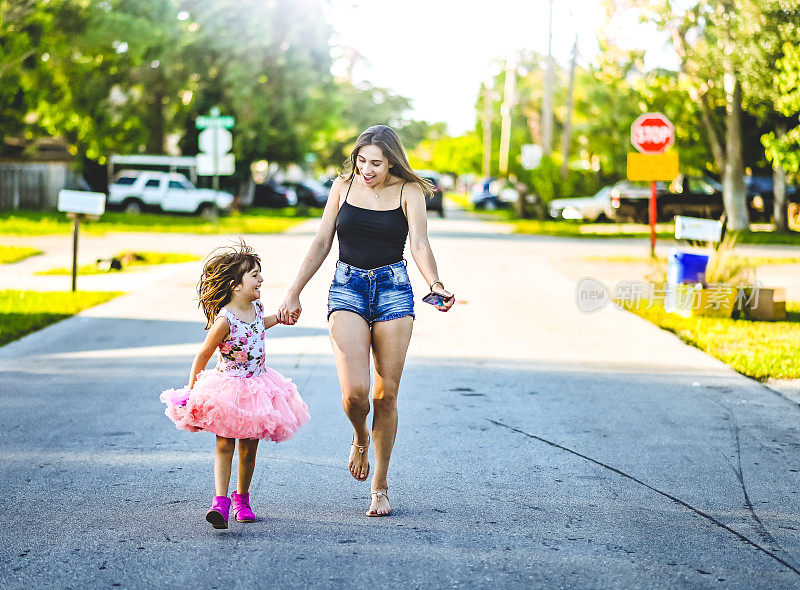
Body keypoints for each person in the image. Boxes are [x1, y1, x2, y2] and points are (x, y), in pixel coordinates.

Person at [278, 125, 454, 517]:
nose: (367, 170)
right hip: (347, 288)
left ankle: (380, 485)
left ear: (393, 161)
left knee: (384, 395)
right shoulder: (342, 187)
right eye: (361, 161)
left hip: (393, 289)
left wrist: (436, 284)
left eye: (376, 163)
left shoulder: (409, 192)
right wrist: (293, 291)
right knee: (355, 395)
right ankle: (359, 436)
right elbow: (322, 241)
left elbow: (420, 243)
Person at [160, 241, 310, 529]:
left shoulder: (256, 308)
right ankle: (220, 503)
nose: (261, 279)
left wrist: (278, 318)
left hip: (256, 387)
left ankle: (242, 498)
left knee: (249, 447)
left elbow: (256, 326)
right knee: (225, 443)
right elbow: (203, 355)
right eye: (254, 274)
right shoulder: (224, 320)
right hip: (228, 389)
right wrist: (191, 391)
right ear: (235, 285)